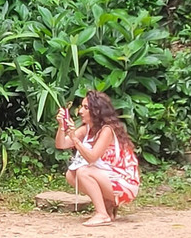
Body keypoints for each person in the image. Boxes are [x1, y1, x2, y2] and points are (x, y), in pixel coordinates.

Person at [56, 89, 140, 227]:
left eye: (86, 108)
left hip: (125, 184)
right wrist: (61, 126)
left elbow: (92, 158)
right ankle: (107, 204)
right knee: (71, 175)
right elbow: (61, 144)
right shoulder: (87, 129)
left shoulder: (107, 130)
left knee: (84, 171)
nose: (81, 111)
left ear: (96, 111)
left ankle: (102, 213)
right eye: (81, 107)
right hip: (110, 178)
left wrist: (74, 139)